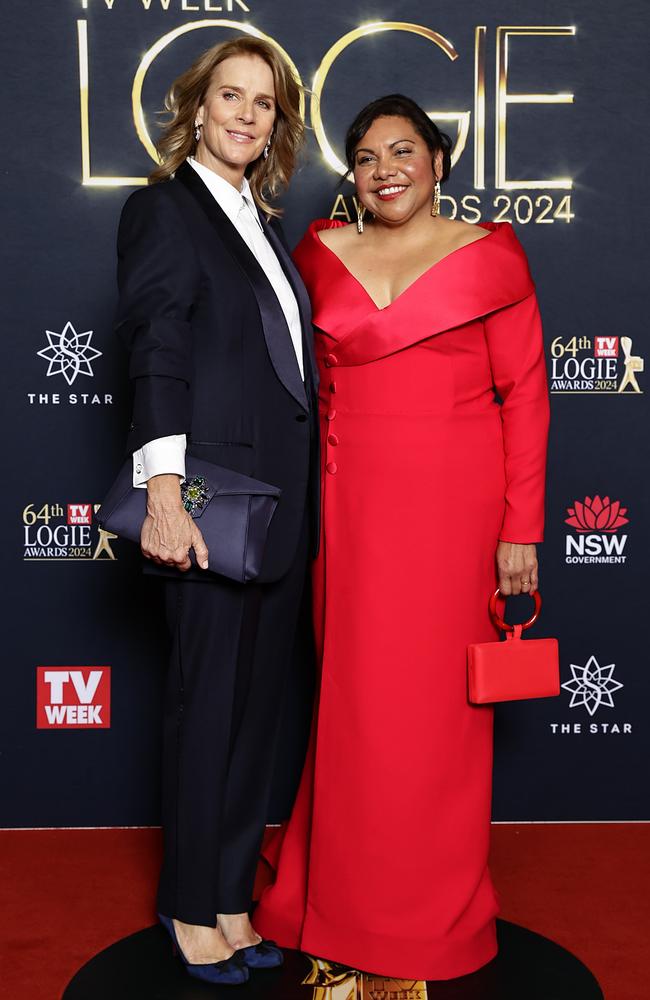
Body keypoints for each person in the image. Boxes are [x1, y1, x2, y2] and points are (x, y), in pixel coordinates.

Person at [255, 94, 550, 980]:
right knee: (357, 709)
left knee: (438, 722)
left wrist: (521, 530)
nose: (386, 169)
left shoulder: (489, 255)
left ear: (438, 161)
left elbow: (526, 398)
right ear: (353, 174)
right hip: (352, 512)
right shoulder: (317, 251)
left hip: (460, 517)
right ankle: (340, 899)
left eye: (404, 150)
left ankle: (432, 910)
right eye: (369, 156)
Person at [114, 36, 319, 985]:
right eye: (229, 96)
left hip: (283, 515)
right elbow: (158, 346)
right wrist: (162, 493)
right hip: (208, 505)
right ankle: (189, 906)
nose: (245, 114)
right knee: (206, 711)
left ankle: (232, 898)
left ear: (277, 124)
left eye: (264, 103)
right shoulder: (165, 211)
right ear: (197, 108)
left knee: (254, 718)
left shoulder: (262, 223)